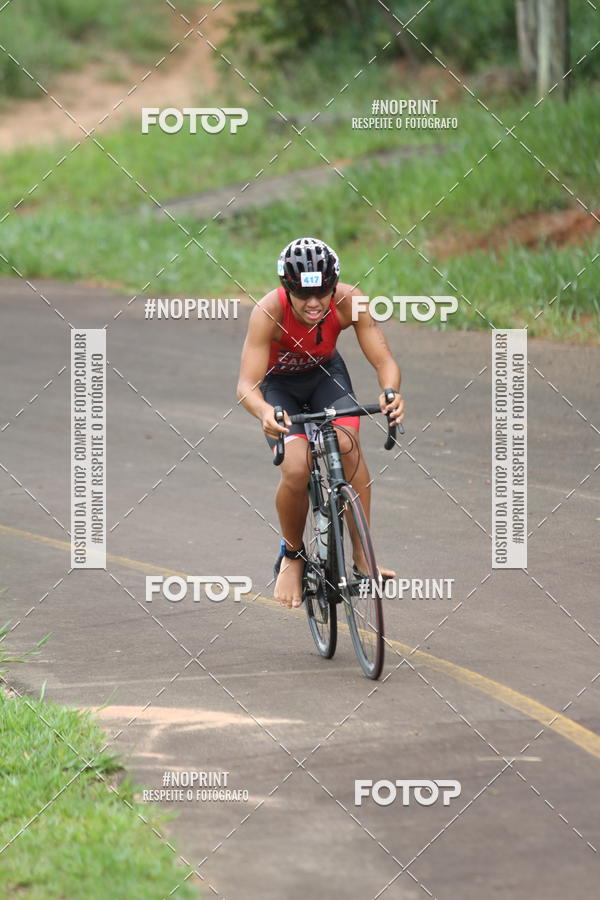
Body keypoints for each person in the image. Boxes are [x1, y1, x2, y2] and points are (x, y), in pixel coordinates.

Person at [237, 236, 404, 609]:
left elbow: (384, 360)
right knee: (296, 469)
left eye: (323, 293)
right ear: (287, 289)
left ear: (333, 286)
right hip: (280, 389)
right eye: (302, 296)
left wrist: (389, 391)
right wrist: (265, 412)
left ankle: (362, 556)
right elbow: (246, 385)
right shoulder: (268, 312)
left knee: (348, 446)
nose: (314, 304)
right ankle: (293, 557)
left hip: (326, 378)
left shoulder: (349, 301)